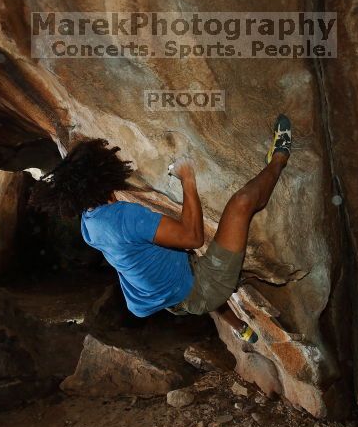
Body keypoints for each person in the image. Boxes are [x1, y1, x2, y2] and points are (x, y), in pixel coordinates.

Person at [30, 115, 292, 343]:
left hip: (171, 301)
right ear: (104, 176)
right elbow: (194, 237)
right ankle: (280, 157)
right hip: (199, 288)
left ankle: (239, 328)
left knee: (197, 289)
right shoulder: (123, 217)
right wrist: (187, 179)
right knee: (241, 204)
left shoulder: (89, 223)